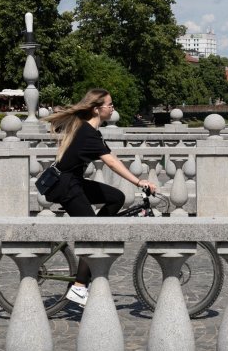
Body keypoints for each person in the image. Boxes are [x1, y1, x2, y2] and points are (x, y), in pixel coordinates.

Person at [44, 88, 158, 306]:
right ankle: (78, 287)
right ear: (97, 109)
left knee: (116, 198)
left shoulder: (91, 131)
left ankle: (99, 235)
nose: (112, 108)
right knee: (93, 234)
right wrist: (139, 181)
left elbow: (111, 157)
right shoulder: (87, 133)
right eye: (110, 105)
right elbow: (112, 163)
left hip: (74, 183)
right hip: (66, 187)